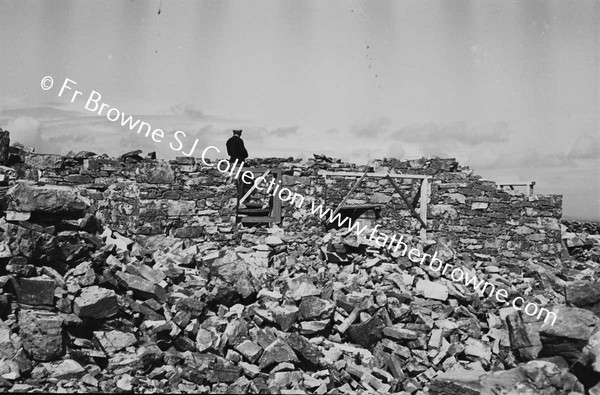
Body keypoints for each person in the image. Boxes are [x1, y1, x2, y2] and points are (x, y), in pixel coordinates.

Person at [226, 130, 249, 200]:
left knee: (231, 180)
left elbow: (229, 153)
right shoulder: (239, 141)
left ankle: (231, 198)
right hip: (239, 162)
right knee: (240, 182)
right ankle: (239, 199)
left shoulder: (229, 141)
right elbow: (244, 153)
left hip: (232, 162)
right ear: (240, 134)